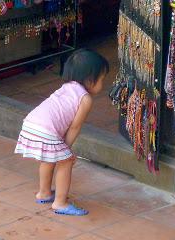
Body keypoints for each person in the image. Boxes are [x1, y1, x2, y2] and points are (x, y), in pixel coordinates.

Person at [15, 49, 109, 216]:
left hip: (31, 123)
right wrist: (66, 149)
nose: (102, 84)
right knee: (66, 161)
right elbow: (74, 127)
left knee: (49, 157)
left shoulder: (67, 87)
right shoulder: (85, 99)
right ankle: (60, 203)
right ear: (89, 79)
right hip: (46, 130)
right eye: (102, 79)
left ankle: (43, 193)